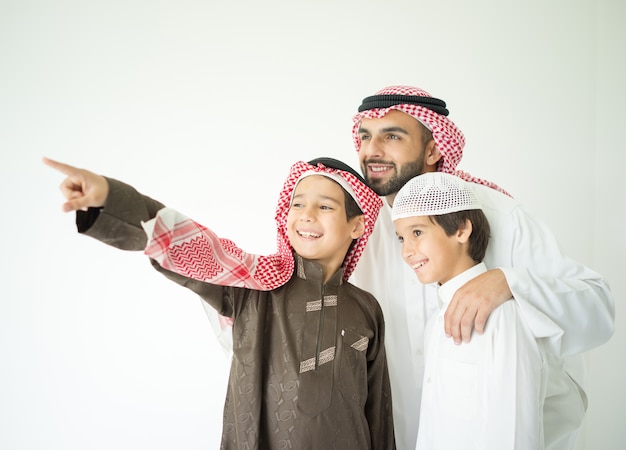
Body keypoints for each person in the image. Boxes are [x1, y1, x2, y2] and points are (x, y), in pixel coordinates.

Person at [44, 156, 395, 450]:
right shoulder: (253, 287)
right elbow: (191, 246)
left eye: (324, 206)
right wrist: (109, 198)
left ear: (357, 226)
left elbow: (379, 412)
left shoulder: (366, 308)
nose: (305, 215)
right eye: (298, 204)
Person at [348, 85, 614, 450]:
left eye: (392, 136)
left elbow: (598, 307)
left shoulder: (500, 214)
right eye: (365, 137)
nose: (371, 151)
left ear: (434, 148)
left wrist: (509, 282)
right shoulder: (358, 231)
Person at [392, 171, 548, 449]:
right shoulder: (436, 322)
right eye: (401, 238)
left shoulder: (503, 317)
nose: (407, 251)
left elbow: (514, 434)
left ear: (462, 230)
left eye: (417, 232)